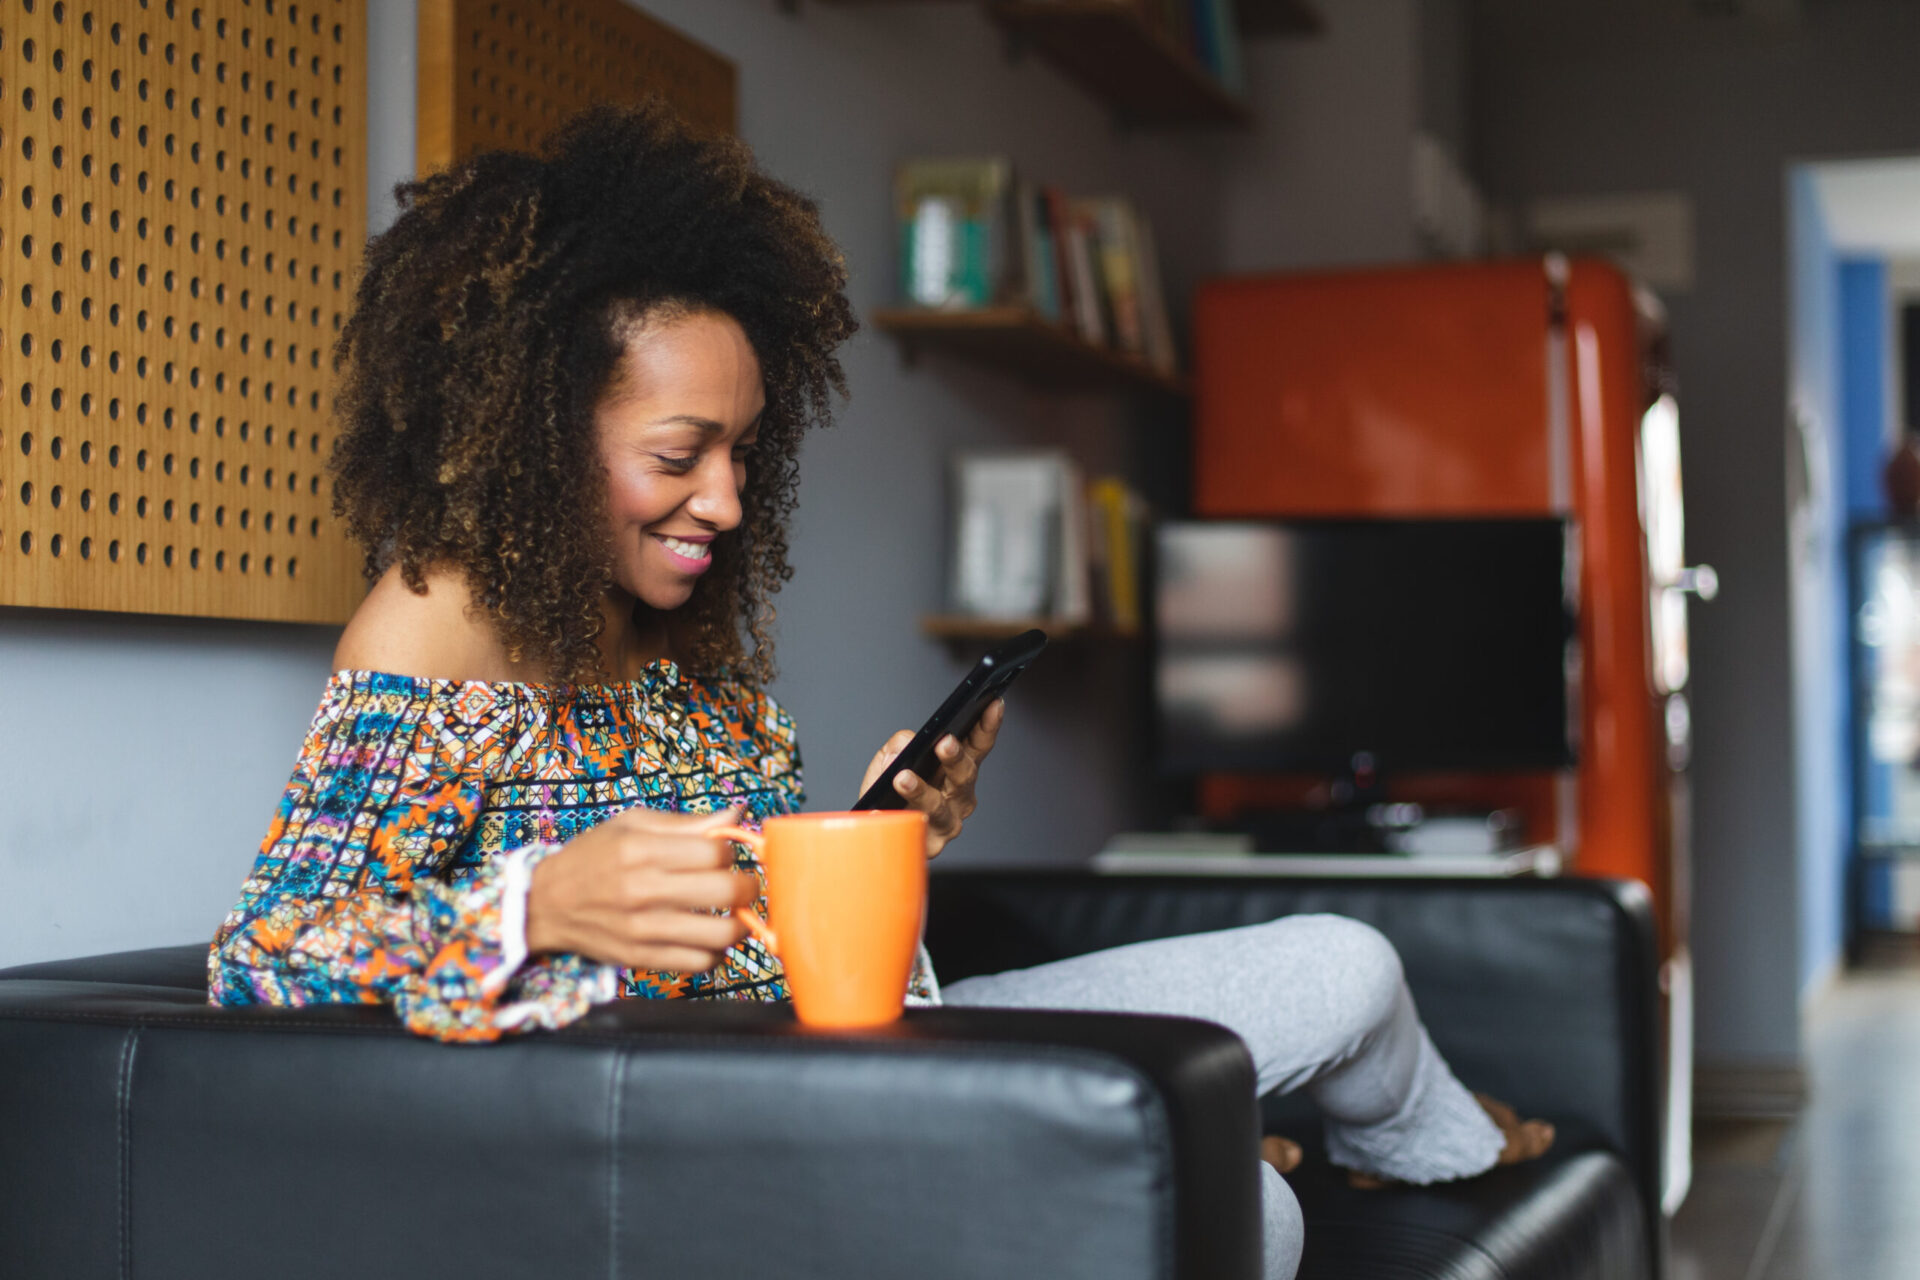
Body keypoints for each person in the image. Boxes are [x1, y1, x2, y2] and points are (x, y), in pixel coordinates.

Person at [207, 102, 1550, 1279]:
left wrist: (895, 826)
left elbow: (761, 915)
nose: (725, 501)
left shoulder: (668, 623)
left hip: (867, 1042)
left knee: (1346, 962)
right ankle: (1224, 1140)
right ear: (539, 431)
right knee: (1243, 1215)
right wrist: (540, 905)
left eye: (743, 449)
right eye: (682, 452)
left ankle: (1419, 1148)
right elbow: (269, 951)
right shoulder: (442, 618)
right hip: (729, 1128)